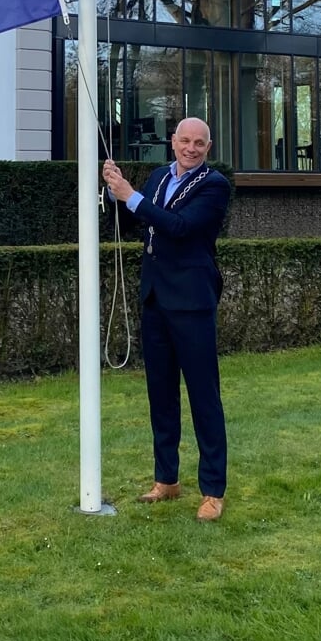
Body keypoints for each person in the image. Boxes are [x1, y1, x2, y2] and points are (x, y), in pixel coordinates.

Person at [102, 117, 233, 521]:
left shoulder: (215, 186)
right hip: (156, 297)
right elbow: (133, 221)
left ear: (207, 148)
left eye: (199, 143)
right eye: (184, 141)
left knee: (203, 396)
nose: (190, 148)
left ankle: (213, 490)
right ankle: (166, 480)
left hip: (192, 302)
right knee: (160, 394)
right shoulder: (159, 176)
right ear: (172, 142)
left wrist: (132, 196)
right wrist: (113, 193)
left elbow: (180, 227)